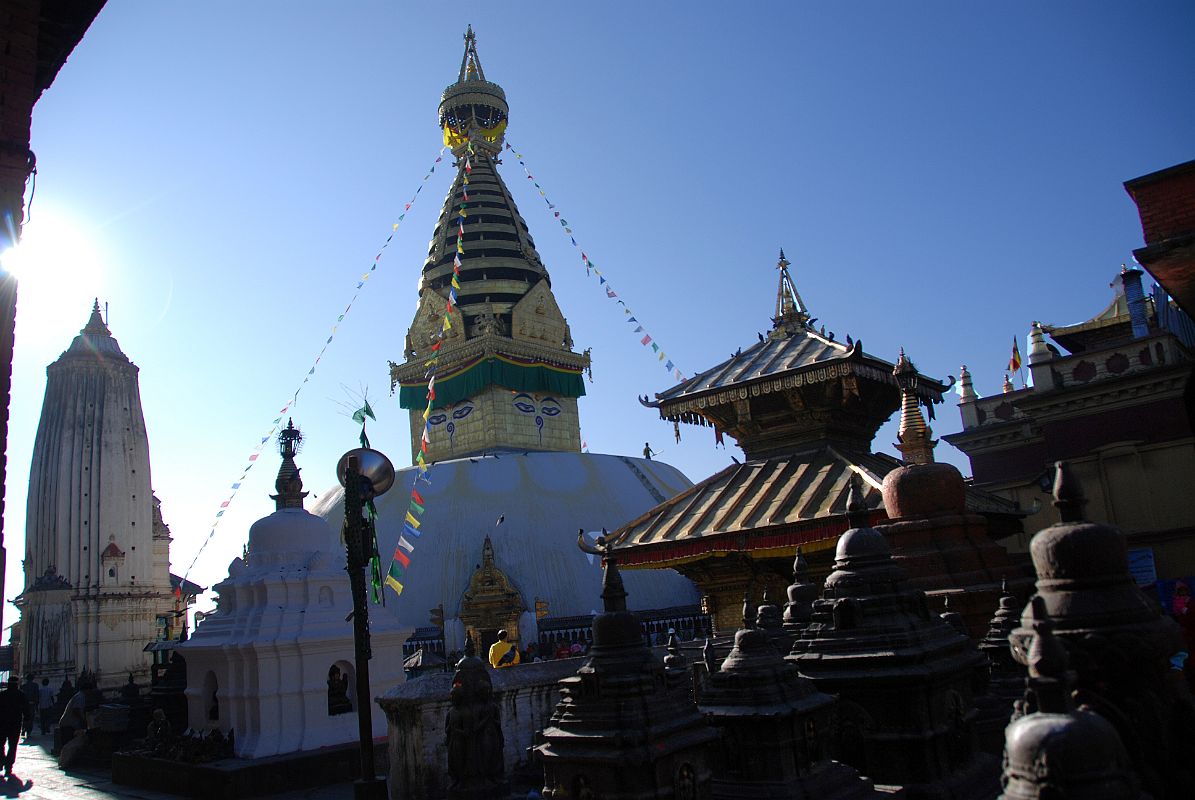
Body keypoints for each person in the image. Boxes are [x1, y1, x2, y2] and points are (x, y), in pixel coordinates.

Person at [0, 677, 29, 776]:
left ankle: (1, 760)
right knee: (12, 746)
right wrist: (27, 720)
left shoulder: (2, 695)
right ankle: (9, 765)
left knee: (0, 744)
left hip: (2, 723)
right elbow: (26, 709)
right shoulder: (21, 695)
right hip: (15, 724)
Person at [19, 676, 37, 741]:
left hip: (24, 704)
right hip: (32, 704)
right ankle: (28, 731)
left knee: (24, 717)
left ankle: (24, 729)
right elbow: (36, 694)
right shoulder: (35, 685)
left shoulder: (24, 686)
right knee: (31, 718)